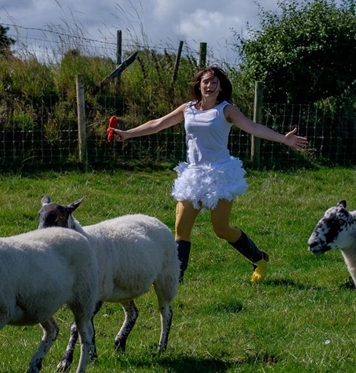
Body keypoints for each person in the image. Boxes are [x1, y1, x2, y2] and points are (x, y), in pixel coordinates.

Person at [111, 66, 308, 283]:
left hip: (220, 174)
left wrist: (283, 139)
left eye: (215, 83)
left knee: (221, 229)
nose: (210, 86)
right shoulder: (187, 109)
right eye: (206, 82)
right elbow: (157, 124)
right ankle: (176, 279)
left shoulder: (226, 110)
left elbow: (252, 127)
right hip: (193, 174)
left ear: (221, 87)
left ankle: (259, 259)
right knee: (181, 228)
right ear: (199, 85)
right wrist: (127, 134)